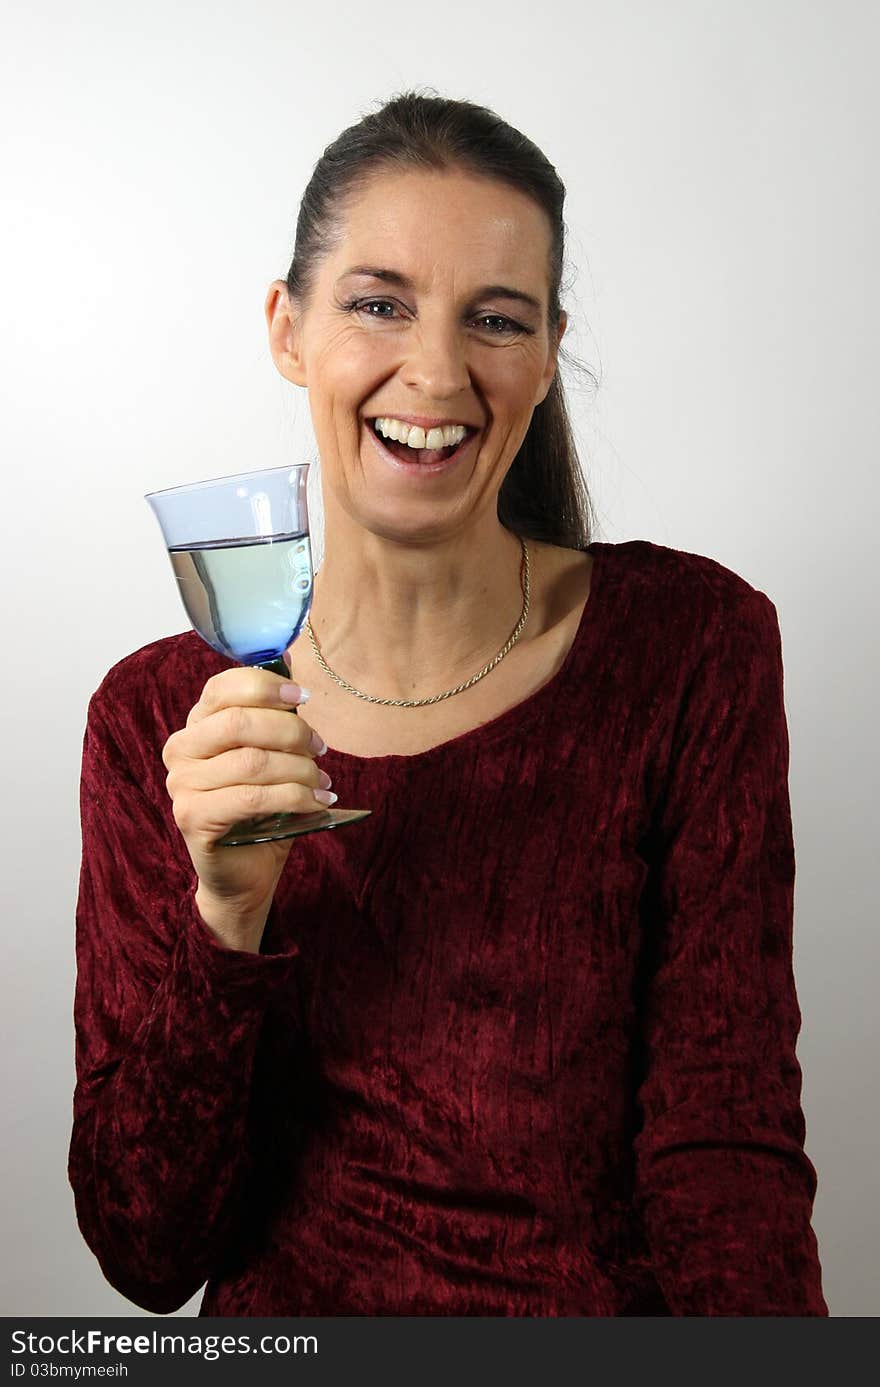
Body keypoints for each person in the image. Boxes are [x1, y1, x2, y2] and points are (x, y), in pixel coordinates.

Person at [68, 90, 829, 1317]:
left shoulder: (692, 646)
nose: (434, 369)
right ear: (287, 328)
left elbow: (724, 1152)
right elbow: (148, 1253)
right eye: (378, 302)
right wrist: (224, 915)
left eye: (494, 318)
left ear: (545, 352)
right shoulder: (154, 714)